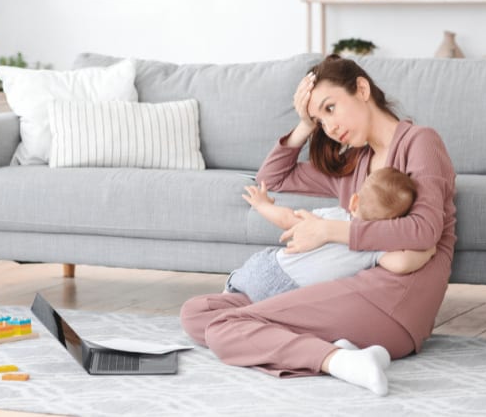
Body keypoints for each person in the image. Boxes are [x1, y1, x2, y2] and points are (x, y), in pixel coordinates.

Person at [179, 54, 456, 397]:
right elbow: (272, 178)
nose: (330, 127)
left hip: (396, 297)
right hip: (349, 285)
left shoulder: (420, 142)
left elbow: (425, 230)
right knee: (198, 314)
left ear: (362, 89)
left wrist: (329, 231)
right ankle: (338, 352)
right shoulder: (354, 165)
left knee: (223, 330)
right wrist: (303, 125)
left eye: (330, 108)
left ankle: (337, 360)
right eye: (320, 121)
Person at [226, 167, 436, 302]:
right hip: (296, 298)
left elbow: (287, 220)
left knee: (242, 278)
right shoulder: (376, 248)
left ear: (354, 202)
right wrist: (429, 249)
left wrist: (262, 205)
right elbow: (402, 264)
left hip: (268, 271)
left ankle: (231, 288)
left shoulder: (332, 216)